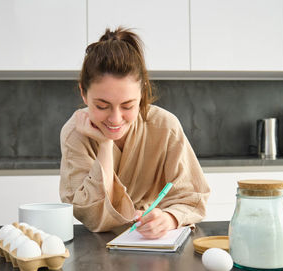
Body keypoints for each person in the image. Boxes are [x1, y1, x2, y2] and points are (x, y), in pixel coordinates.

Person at [59, 27, 210, 239]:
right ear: (83, 93)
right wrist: (104, 144)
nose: (115, 119)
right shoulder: (75, 133)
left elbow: (193, 195)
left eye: (128, 106)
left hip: (155, 243)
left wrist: (168, 218)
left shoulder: (165, 126)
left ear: (142, 93)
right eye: (102, 106)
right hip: (98, 248)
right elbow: (92, 216)